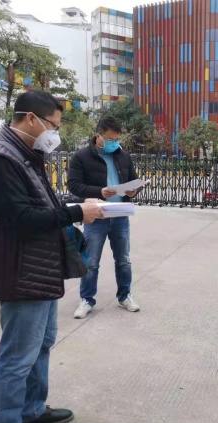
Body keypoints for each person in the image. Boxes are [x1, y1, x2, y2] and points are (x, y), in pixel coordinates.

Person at [0, 90, 104, 423]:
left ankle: (31, 410)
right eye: (53, 125)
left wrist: (79, 203)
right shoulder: (0, 159)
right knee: (17, 356)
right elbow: (21, 219)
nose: (54, 133)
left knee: (41, 344)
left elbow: (42, 203)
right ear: (31, 119)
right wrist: (77, 213)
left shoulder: (25, 155)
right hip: (20, 272)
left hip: (40, 268)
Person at [67, 116, 140, 319]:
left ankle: (125, 296)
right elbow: (74, 185)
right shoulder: (81, 157)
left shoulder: (123, 156)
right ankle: (87, 299)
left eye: (117, 139)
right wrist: (99, 191)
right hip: (95, 215)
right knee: (91, 261)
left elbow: (133, 180)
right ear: (97, 136)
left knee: (123, 259)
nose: (114, 143)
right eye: (109, 139)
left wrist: (133, 190)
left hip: (120, 214)